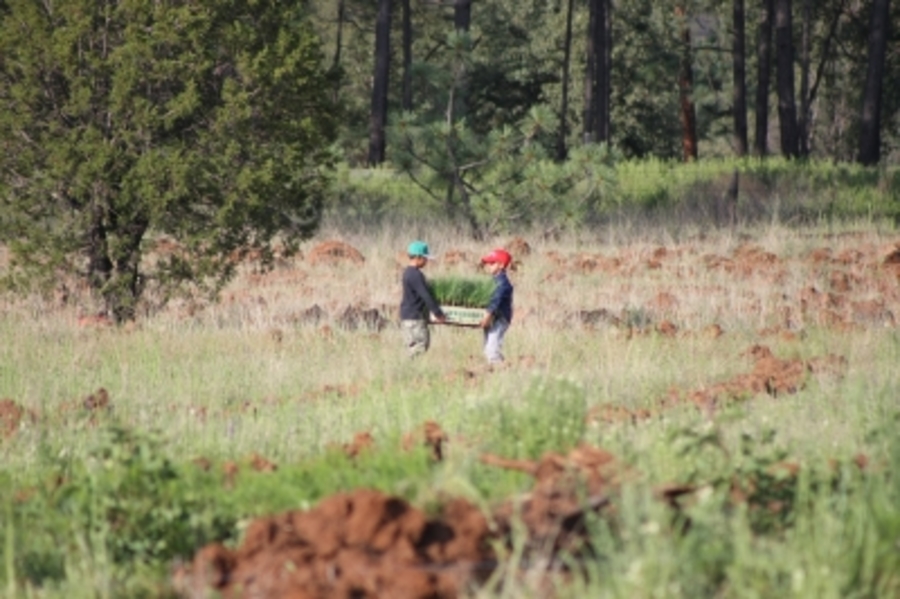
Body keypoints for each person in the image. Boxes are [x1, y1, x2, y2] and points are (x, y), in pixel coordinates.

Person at [400, 240, 446, 357]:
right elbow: (425, 295)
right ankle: (415, 371)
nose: (426, 261)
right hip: (415, 318)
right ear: (418, 257)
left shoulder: (407, 273)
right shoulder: (416, 275)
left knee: (411, 347)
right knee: (420, 346)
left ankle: (410, 369)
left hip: (406, 317)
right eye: (425, 258)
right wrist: (438, 313)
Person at [479, 248, 514, 365]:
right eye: (488, 263)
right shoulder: (493, 280)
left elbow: (495, 300)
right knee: (487, 348)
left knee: (491, 350)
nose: (488, 265)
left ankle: (500, 372)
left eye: (492, 263)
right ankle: (499, 368)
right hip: (492, 318)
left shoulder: (503, 283)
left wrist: (487, 315)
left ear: (501, 265)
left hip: (500, 319)